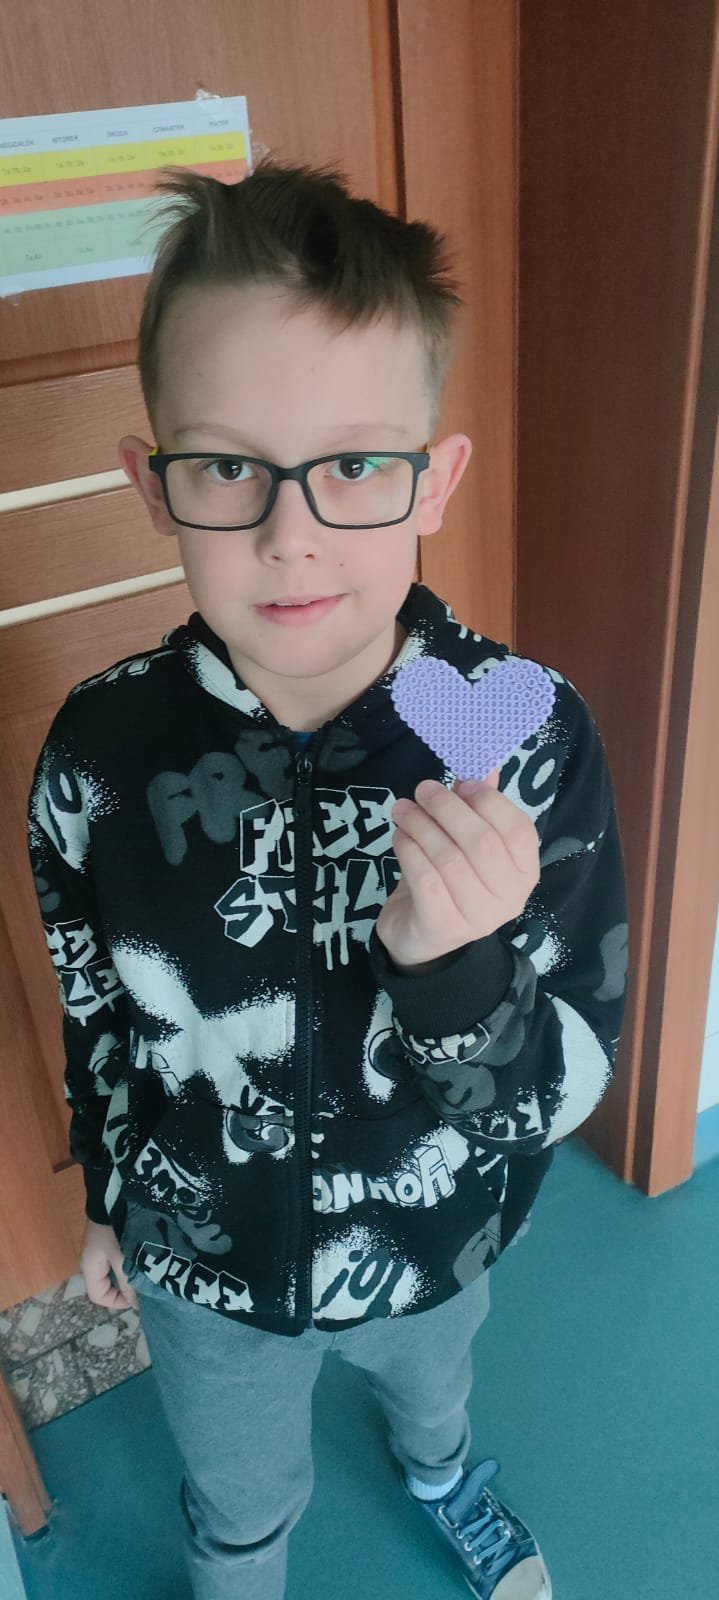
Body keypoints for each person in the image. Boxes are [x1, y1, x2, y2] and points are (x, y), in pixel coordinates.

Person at [27, 159, 629, 1600]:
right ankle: (241, 1569)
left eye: (355, 465)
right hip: (204, 1254)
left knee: (434, 1389)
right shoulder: (103, 748)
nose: (289, 533)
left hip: (433, 1230)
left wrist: (459, 970)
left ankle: (443, 1473)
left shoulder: (514, 732)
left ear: (435, 480)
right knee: (236, 1491)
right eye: (229, 466)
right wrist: (111, 1188)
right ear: (152, 482)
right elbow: (95, 1000)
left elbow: (568, 1086)